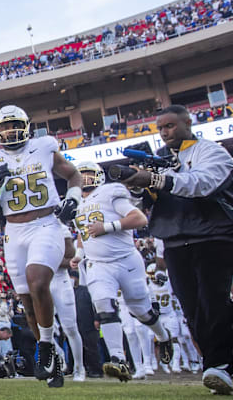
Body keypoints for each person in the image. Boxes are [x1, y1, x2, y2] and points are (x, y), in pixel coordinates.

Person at [121, 105, 233, 395]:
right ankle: (213, 365)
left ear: (187, 122)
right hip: (176, 239)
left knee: (213, 301)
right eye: (161, 128)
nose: (165, 133)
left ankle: (220, 366)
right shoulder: (160, 160)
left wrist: (154, 179)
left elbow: (201, 185)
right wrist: (138, 187)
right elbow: (147, 204)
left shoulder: (211, 151)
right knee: (192, 308)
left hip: (214, 237)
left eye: (170, 126)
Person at [0, 105, 82, 388]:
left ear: (26, 125)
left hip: (45, 223)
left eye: (14, 124)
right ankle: (54, 358)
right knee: (27, 305)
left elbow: (73, 175)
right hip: (13, 230)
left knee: (37, 283)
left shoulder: (44, 147)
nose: (10, 130)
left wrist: (73, 199)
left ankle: (45, 349)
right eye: (5, 126)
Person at [72, 161, 174, 382]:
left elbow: (139, 218)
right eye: (81, 175)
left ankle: (163, 336)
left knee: (141, 311)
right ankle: (118, 359)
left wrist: (107, 227)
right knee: (103, 306)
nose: (85, 179)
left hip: (126, 260)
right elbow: (83, 231)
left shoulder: (110, 192)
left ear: (99, 176)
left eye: (89, 174)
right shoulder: (77, 203)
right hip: (98, 263)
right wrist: (78, 255)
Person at [50, 226, 85, 381]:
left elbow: (70, 259)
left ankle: (79, 368)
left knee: (70, 327)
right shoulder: (30, 228)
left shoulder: (60, 228)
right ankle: (59, 356)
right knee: (41, 328)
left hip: (60, 280)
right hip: (42, 282)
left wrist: (47, 262)